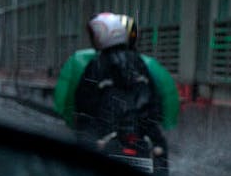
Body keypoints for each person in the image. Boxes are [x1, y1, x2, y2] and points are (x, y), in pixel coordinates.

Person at [52, 12, 179, 147]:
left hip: (102, 132)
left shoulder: (87, 61)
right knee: (159, 150)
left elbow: (78, 99)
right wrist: (161, 125)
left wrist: (73, 121)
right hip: (139, 131)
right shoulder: (146, 64)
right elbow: (162, 97)